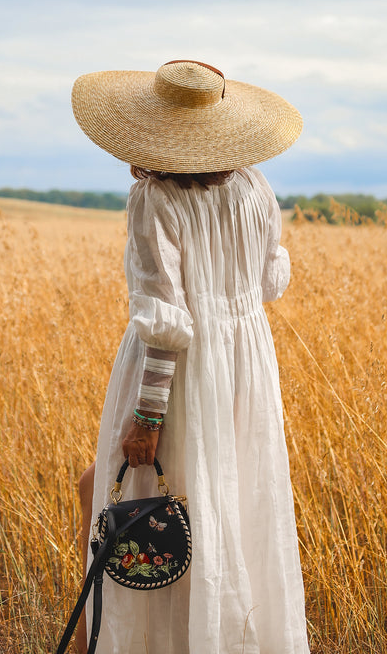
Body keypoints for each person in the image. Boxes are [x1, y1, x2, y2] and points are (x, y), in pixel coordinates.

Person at [70, 59, 310, 654]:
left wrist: (147, 416)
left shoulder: (155, 199)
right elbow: (271, 281)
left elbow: (167, 323)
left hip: (179, 378)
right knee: (222, 507)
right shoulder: (255, 187)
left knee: (127, 505)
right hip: (241, 368)